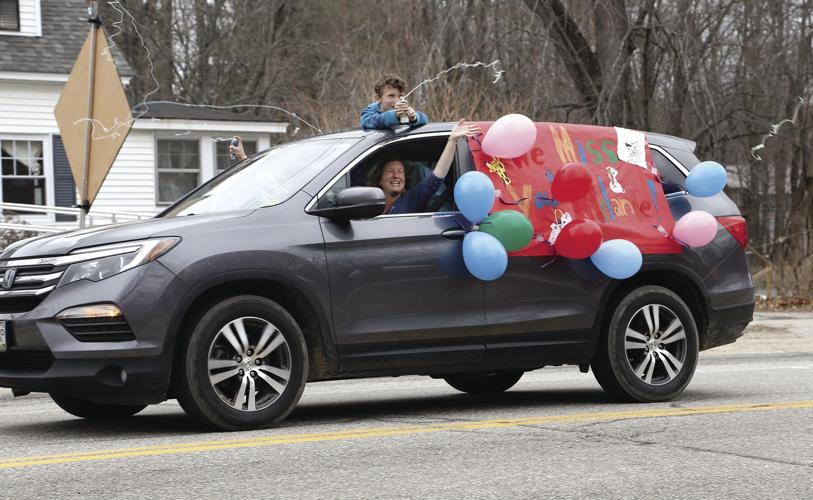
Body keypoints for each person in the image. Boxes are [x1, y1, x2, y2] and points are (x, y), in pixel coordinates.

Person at [369, 120, 481, 214]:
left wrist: (452, 140)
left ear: (404, 183)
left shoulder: (411, 200)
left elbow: (436, 176)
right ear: (379, 179)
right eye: (390, 171)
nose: (396, 175)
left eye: (400, 171)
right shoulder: (368, 207)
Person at [360, 74, 428, 129]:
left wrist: (414, 118)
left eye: (400, 96)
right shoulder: (371, 110)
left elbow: (424, 119)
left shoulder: (403, 110)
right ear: (378, 98)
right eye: (391, 96)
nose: (397, 101)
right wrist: (395, 115)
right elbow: (367, 122)